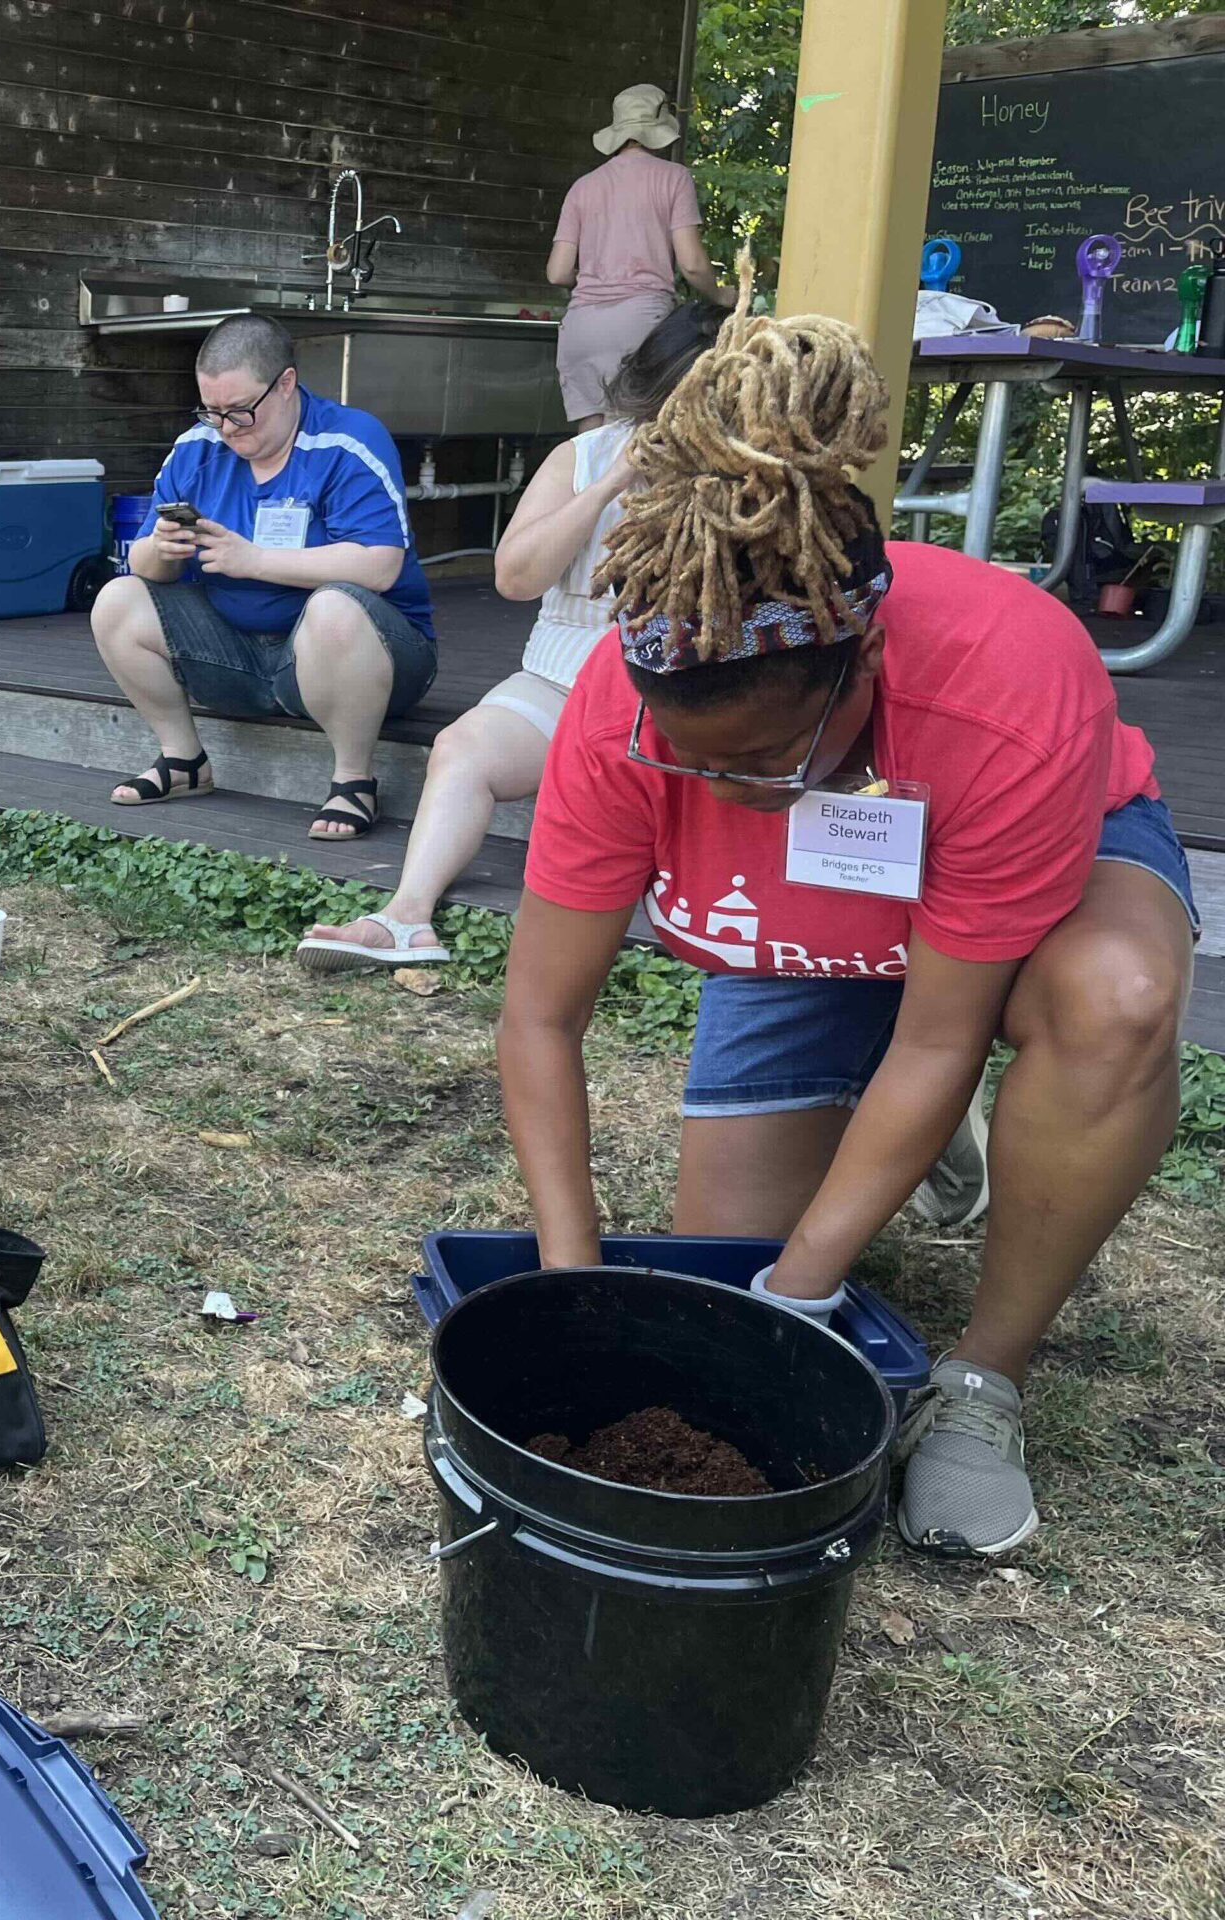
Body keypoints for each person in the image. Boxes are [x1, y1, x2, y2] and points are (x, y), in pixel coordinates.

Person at [497, 283, 1194, 1559]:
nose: (724, 795)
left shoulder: (1006, 684)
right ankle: (904, 1143)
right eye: (688, 766)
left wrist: (804, 1289)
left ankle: (982, 1386)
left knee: (1111, 1003)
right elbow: (541, 1016)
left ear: (862, 668)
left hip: (1012, 884)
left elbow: (942, 1036)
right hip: (820, 934)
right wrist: (569, 1280)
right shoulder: (620, 713)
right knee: (724, 1251)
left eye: (759, 764)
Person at [298, 302, 726, 969]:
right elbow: (516, 577)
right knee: (462, 748)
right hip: (568, 677)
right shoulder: (584, 457)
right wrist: (613, 482)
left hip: (691, 688)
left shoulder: (755, 474)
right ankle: (407, 916)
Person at [93, 312, 436, 842]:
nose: (227, 429)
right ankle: (183, 760)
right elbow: (142, 564)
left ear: (286, 385)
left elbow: (380, 564)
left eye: (240, 412)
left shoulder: (346, 441)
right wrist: (161, 550)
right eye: (212, 412)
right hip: (241, 655)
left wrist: (254, 561)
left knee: (334, 607)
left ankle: (353, 778)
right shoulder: (195, 448)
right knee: (118, 599)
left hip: (370, 658)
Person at [549, 85, 730, 427]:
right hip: (639, 323)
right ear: (658, 128)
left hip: (581, 327)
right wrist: (722, 296)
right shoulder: (674, 178)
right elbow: (691, 264)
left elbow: (558, 272)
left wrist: (593, 274)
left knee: (591, 453)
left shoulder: (583, 186)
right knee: (635, 451)